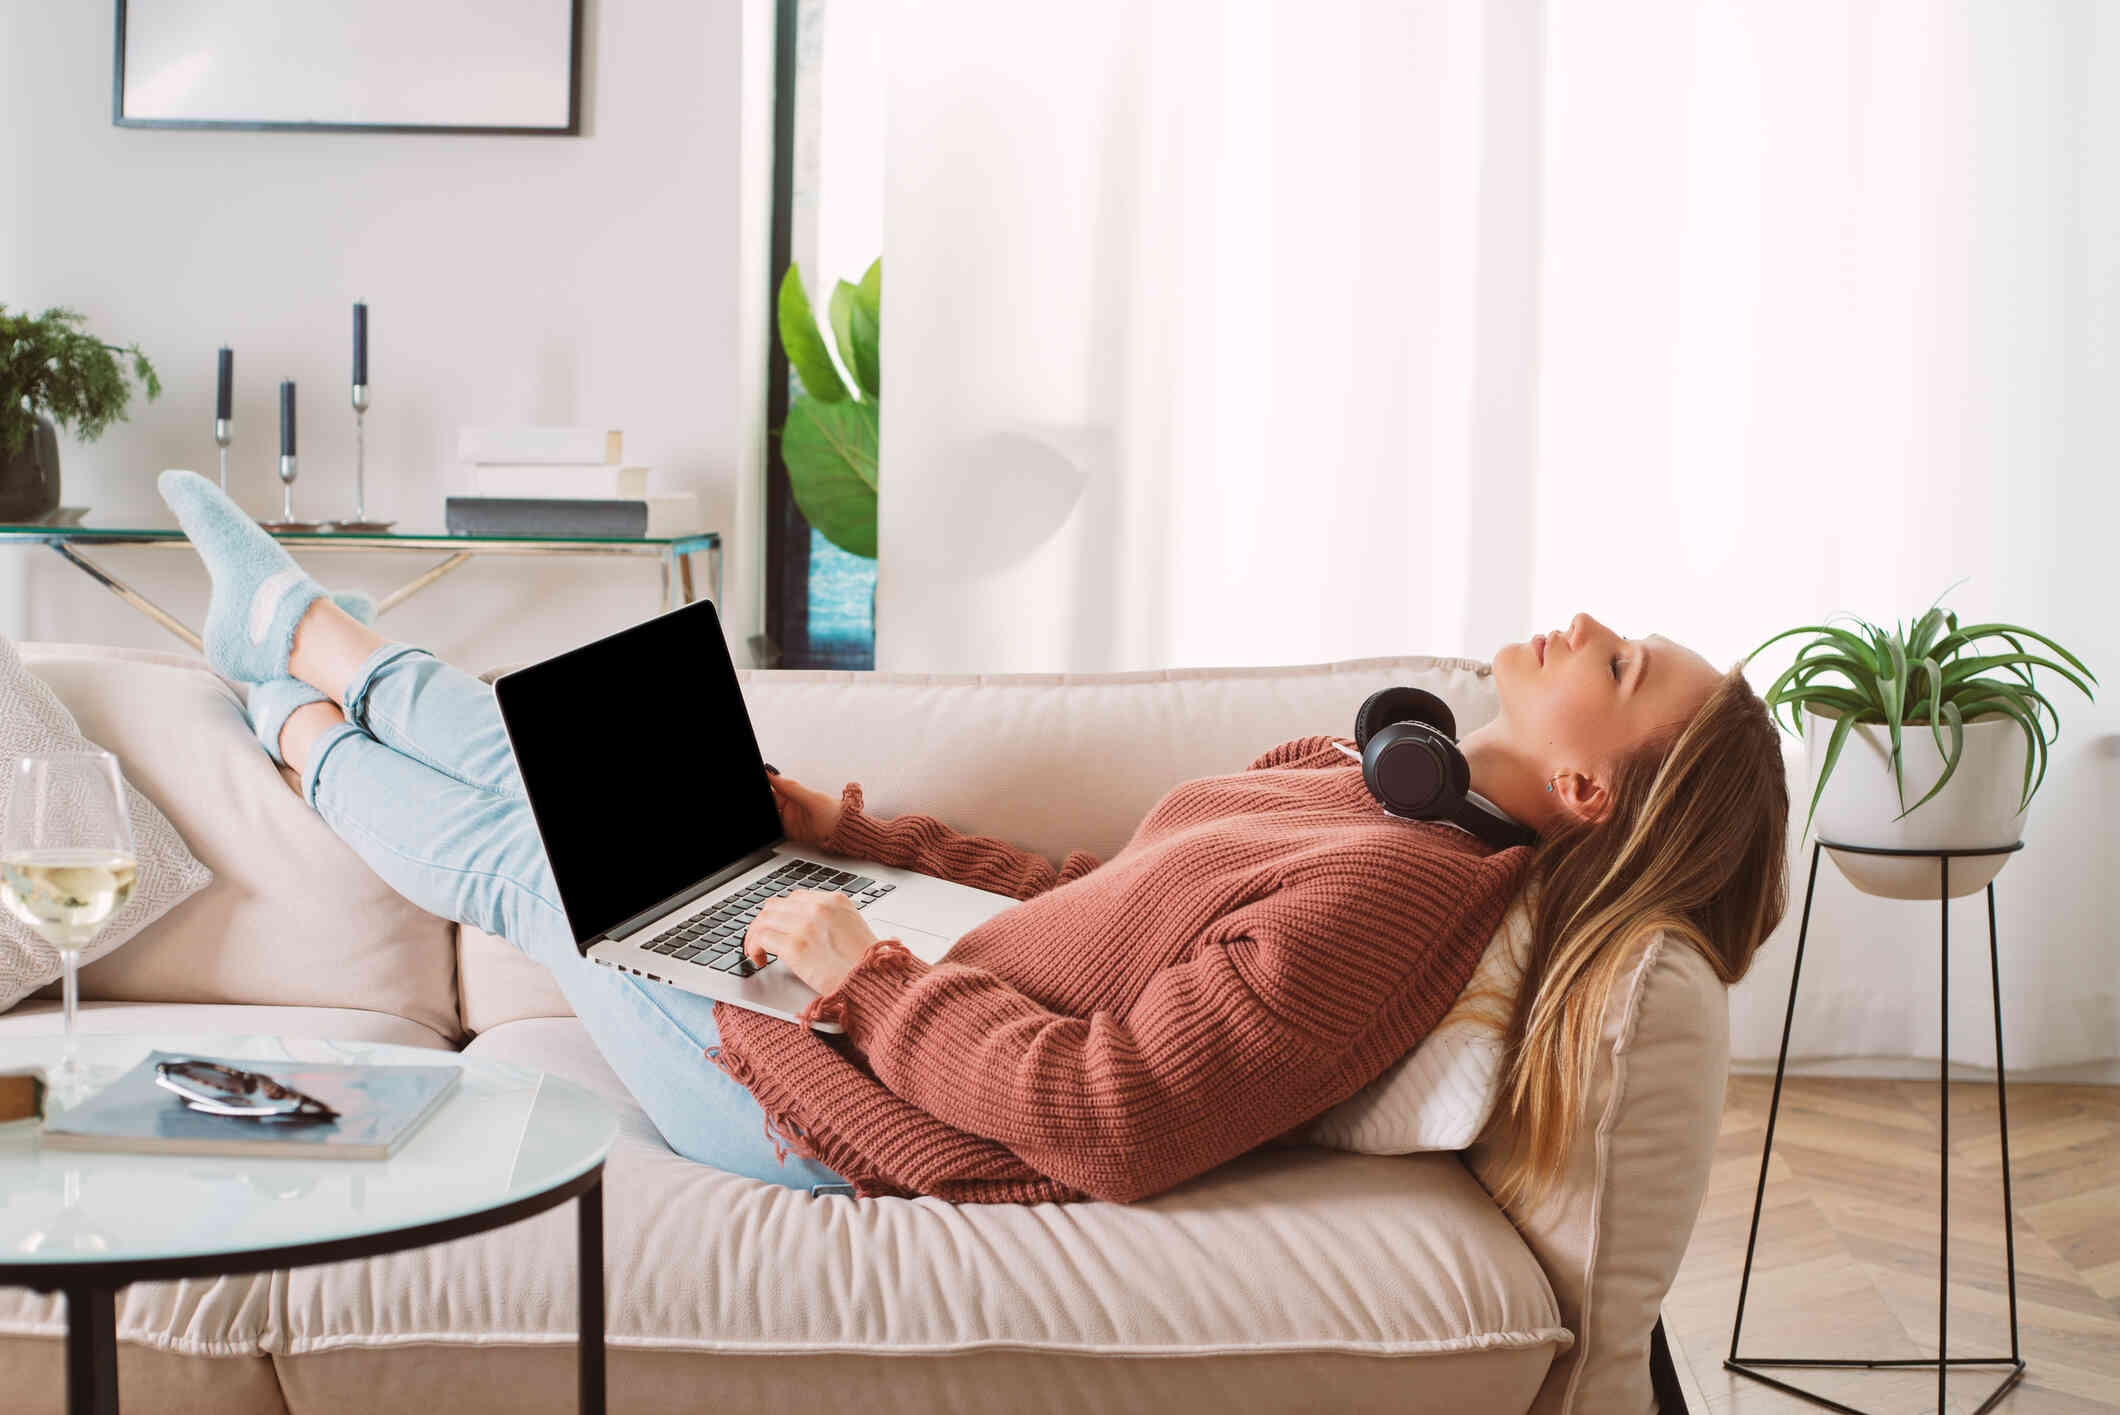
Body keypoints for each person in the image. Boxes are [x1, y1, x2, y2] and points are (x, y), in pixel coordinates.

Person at [158, 470, 1788, 1206]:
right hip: (870, 978)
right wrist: (846, 834)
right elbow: (1098, 901)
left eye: (1622, 665)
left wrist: (862, 981)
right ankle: (298, 675)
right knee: (612, 779)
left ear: (1589, 797)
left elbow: (1116, 1113)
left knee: (539, 854)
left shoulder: (1398, 894)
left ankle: (292, 670)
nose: (1584, 626)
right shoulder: (1368, 787)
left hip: (840, 1094)